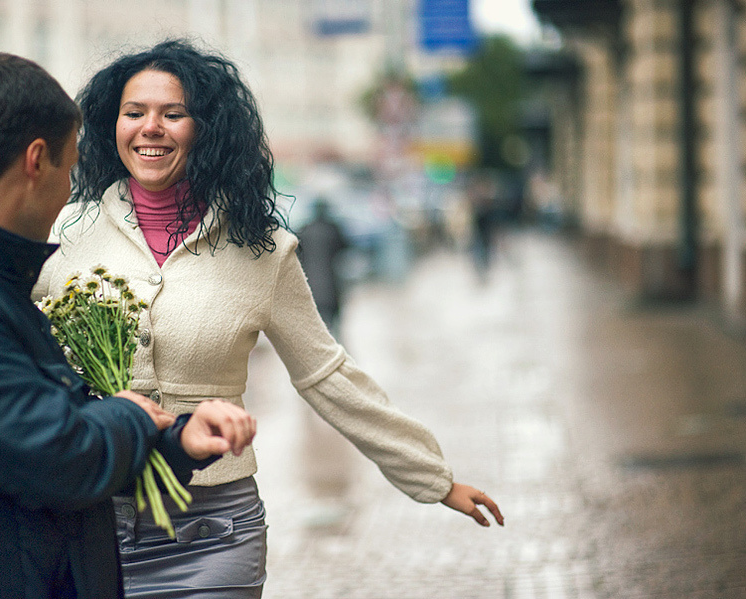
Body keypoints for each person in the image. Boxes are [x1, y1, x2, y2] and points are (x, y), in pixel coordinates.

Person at [34, 39, 503, 599]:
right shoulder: (62, 235)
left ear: (205, 129)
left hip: (214, 533)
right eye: (133, 113)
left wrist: (433, 478)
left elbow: (326, 374)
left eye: (173, 114)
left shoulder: (263, 251)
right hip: (88, 526)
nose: (150, 127)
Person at [0, 53, 256, 599]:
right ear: (35, 161)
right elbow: (55, 458)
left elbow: (43, 425)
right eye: (70, 167)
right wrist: (130, 416)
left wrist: (177, 440)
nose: (70, 189)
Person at [296, 198, 348, 338]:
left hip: (308, 285)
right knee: (331, 330)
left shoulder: (303, 230)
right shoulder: (333, 229)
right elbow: (345, 247)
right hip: (331, 285)